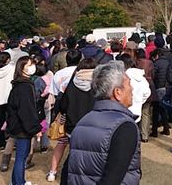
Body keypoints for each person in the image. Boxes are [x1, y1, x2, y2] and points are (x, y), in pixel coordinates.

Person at [63, 61, 141, 185]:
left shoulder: (83, 122)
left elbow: (67, 171)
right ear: (117, 92)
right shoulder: (124, 127)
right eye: (129, 84)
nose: (132, 88)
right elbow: (113, 178)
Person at [50, 58, 97, 181]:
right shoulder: (99, 85)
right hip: (93, 126)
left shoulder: (71, 84)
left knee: (75, 154)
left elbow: (62, 106)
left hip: (73, 126)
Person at [6, 56, 42, 185]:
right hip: (22, 126)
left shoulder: (20, 84)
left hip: (18, 124)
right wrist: (35, 128)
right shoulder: (25, 86)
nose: (32, 67)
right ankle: (19, 182)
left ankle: (17, 180)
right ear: (22, 68)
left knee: (21, 155)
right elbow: (27, 111)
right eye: (29, 64)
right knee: (21, 156)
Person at [47, 48, 82, 179]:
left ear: (66, 60)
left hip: (64, 112)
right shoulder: (81, 73)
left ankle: (52, 172)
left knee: (62, 143)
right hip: (79, 110)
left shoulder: (59, 74)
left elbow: (55, 95)